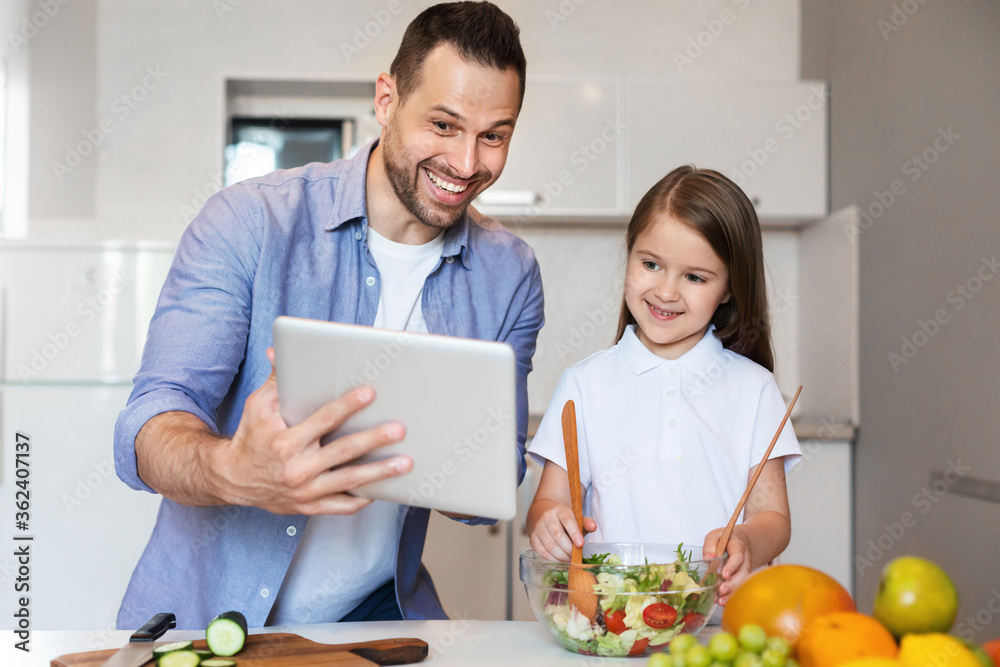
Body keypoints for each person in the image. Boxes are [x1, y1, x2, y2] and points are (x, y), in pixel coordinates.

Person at [114, 1, 543, 630]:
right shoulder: (249, 221)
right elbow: (147, 427)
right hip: (206, 621)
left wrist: (472, 464)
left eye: (494, 135)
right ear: (387, 99)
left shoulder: (510, 275)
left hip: (373, 623)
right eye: (444, 125)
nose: (467, 163)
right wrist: (231, 470)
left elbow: (490, 489)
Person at [525, 165, 801, 607]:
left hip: (717, 625)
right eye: (650, 264)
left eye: (694, 277)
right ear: (629, 253)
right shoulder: (584, 383)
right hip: (611, 621)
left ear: (730, 288)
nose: (666, 291)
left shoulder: (754, 389)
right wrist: (546, 522)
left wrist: (749, 539)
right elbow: (549, 501)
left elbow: (773, 517)